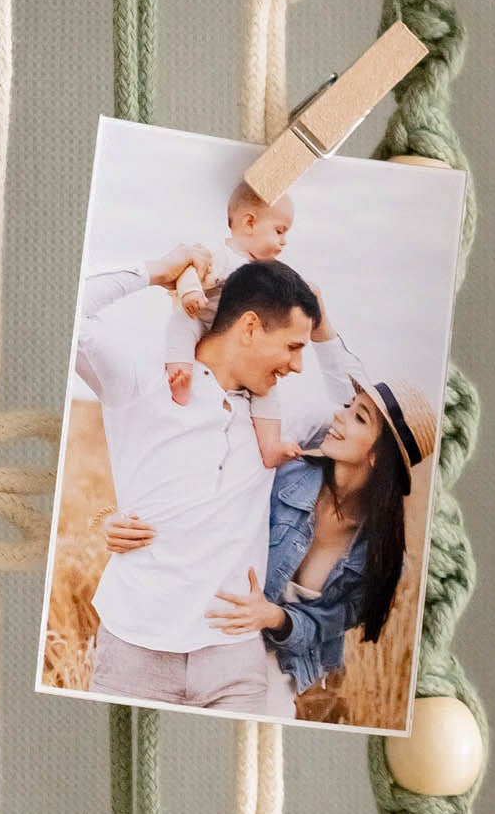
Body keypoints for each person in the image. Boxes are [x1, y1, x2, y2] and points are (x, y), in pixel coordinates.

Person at [74, 253, 352, 714]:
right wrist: (154, 271)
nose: (298, 366)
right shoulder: (143, 379)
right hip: (134, 650)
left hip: (234, 661)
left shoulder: (281, 423)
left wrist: (322, 328)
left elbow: (371, 421)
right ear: (248, 328)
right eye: (293, 346)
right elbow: (70, 312)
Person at [117, 367, 436, 718]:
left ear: (377, 458)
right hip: (216, 626)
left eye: (358, 417)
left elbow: (320, 626)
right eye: (348, 405)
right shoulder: (287, 473)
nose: (339, 416)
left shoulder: (381, 559)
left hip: (280, 658)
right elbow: (201, 500)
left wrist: (274, 617)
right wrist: (108, 517)